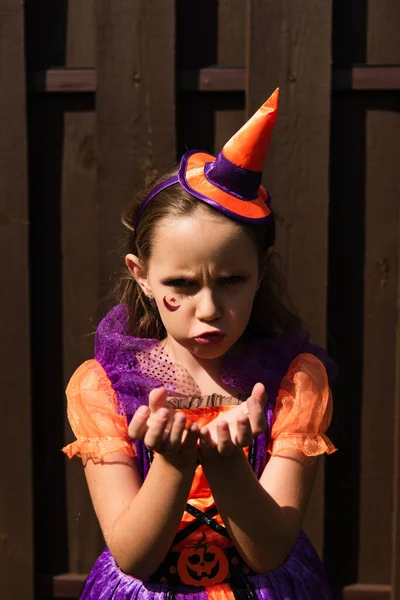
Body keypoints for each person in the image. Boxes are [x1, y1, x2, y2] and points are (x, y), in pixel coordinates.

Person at [63, 88, 337, 600]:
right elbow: (134, 555)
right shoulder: (104, 388)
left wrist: (229, 461)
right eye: (182, 285)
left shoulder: (294, 382)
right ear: (141, 277)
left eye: (232, 280)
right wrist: (171, 462)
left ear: (261, 273)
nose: (208, 308)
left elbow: (267, 551)